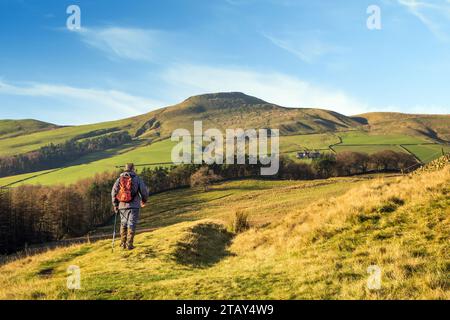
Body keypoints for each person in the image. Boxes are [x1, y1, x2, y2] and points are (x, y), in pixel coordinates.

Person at [111, 163, 149, 250]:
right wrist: (144, 200)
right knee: (131, 224)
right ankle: (129, 244)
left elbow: (113, 192)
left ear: (125, 169)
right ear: (133, 169)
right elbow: (144, 191)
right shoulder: (137, 179)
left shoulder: (119, 180)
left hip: (122, 205)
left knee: (123, 224)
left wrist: (115, 205)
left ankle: (122, 244)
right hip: (134, 206)